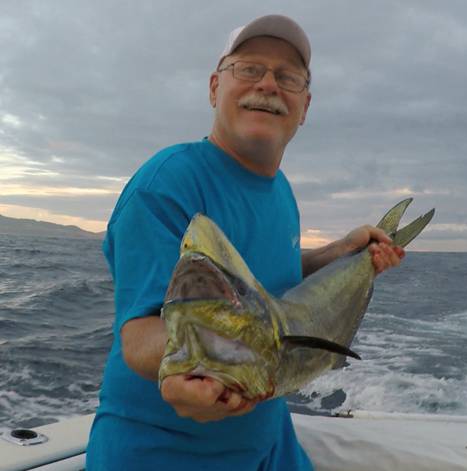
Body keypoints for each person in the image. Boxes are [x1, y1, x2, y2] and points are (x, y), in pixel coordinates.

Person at [86, 14, 404, 471]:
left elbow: (266, 275)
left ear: (305, 105)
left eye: (287, 77)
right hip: (164, 451)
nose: (269, 85)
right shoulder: (166, 183)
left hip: (269, 439)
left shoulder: (282, 192)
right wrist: (188, 365)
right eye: (249, 69)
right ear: (215, 88)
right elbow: (138, 333)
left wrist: (341, 253)